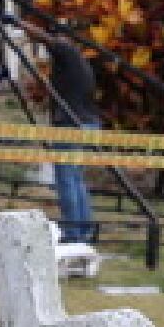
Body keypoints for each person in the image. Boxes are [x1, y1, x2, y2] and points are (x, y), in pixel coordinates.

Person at [23, 19, 100, 244]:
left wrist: (18, 23)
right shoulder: (77, 60)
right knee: (76, 179)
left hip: (71, 124)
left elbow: (45, 38)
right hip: (86, 122)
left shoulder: (66, 50)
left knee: (66, 179)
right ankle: (84, 228)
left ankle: (74, 233)